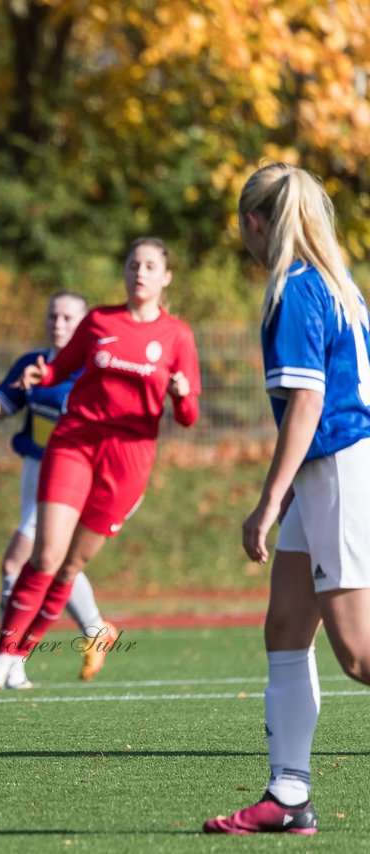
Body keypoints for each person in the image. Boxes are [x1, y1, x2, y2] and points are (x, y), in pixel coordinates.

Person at [203, 164, 370, 835]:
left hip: (334, 471)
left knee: (358, 654)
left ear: (254, 223)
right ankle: (289, 795)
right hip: (330, 473)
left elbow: (308, 402)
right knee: (285, 629)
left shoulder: (297, 289)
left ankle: (291, 792)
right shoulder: (337, 283)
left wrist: (269, 500)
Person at [0, 237, 200, 690]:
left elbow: (189, 415)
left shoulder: (177, 336)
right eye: (133, 263)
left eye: (150, 265)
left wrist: (180, 394)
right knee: (45, 554)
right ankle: (3, 655)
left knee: (70, 567)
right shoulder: (99, 320)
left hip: (129, 459)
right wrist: (41, 375)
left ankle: (22, 656)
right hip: (75, 442)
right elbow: (61, 370)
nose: (140, 272)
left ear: (166, 277)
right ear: (124, 271)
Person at [0, 292, 120, 687]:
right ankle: (94, 632)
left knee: (18, 562)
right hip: (37, 471)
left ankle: (7, 654)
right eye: (54, 315)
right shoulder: (36, 362)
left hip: (73, 475)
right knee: (56, 560)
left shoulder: (93, 368)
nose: (60, 323)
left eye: (69, 317)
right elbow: (8, 396)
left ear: (84, 324)